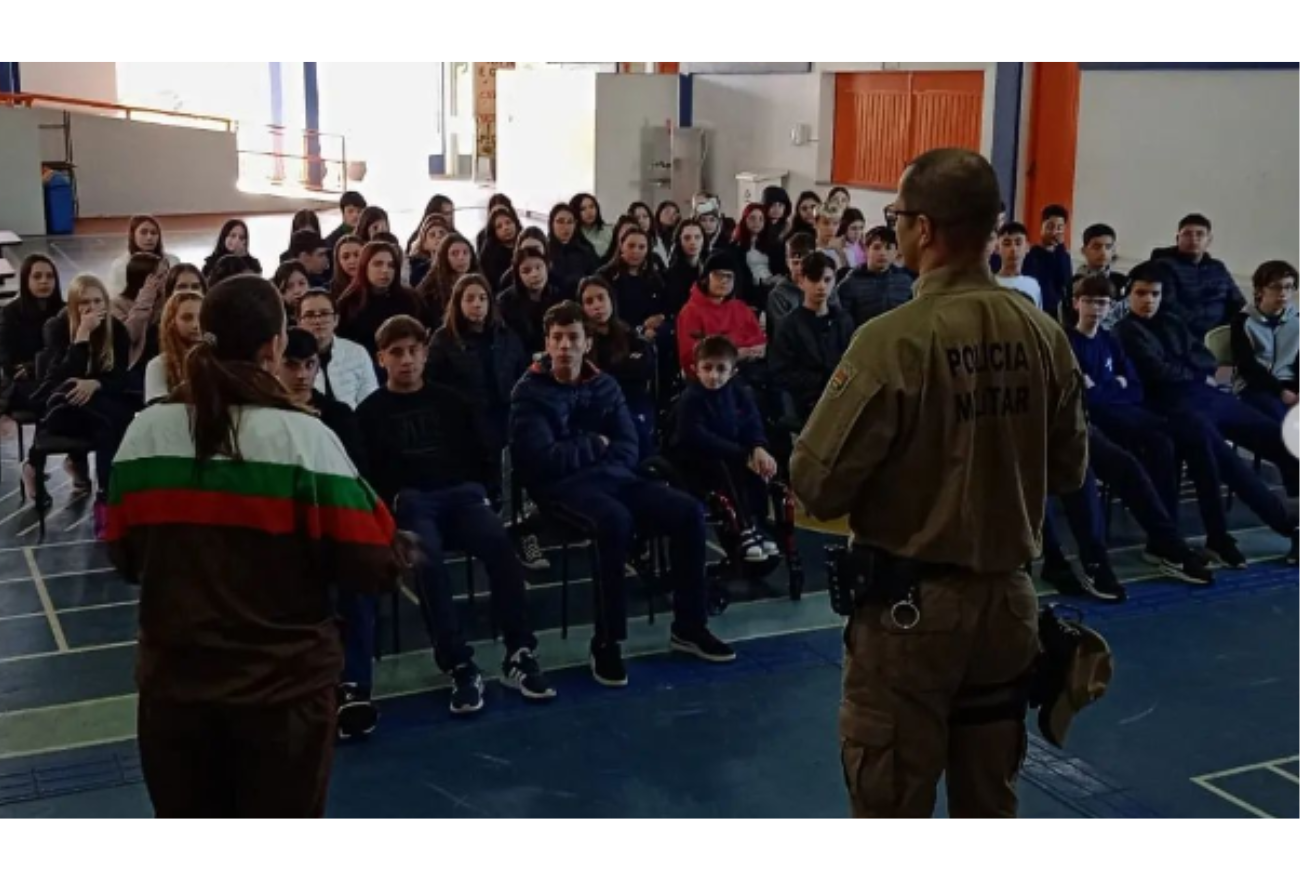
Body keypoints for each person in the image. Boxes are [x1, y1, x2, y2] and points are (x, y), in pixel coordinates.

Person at [792, 148, 1089, 819]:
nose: (894, 229)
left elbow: (816, 481)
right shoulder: (1044, 335)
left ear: (924, 229)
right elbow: (1069, 470)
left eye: (897, 217)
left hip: (911, 615)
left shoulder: (893, 339)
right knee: (989, 803)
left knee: (892, 801)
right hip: (1010, 605)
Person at [106, 274, 399, 818]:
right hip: (282, 702)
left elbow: (123, 554)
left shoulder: (143, 436)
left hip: (176, 697)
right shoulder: (304, 440)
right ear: (274, 346)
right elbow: (373, 561)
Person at [510, 302, 736, 686]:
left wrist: (589, 448)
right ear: (547, 343)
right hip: (563, 489)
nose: (565, 346)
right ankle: (607, 642)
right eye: (557, 338)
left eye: (573, 338)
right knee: (614, 522)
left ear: (586, 342)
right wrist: (595, 443)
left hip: (616, 477)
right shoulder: (529, 392)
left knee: (688, 512)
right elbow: (539, 460)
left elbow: (630, 444)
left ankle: (689, 625)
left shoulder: (605, 384)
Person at [360, 315, 555, 713]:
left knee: (501, 546)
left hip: (462, 496)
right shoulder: (370, 413)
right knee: (427, 561)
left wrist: (481, 491)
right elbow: (369, 474)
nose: (407, 360)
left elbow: (483, 452)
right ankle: (459, 664)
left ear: (426, 353)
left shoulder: (451, 401)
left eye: (414, 350)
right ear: (382, 358)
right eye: (396, 353)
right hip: (413, 503)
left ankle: (519, 652)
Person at [1116, 261, 1299, 563]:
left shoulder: (1172, 320)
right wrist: (1194, 372)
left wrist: (1196, 372)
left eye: (1155, 294)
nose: (1148, 300)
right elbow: (1158, 372)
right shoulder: (1126, 331)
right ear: (1130, 295)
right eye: (1141, 293)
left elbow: (1204, 358)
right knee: (1227, 462)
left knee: (1280, 439)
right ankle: (1285, 526)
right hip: (1175, 405)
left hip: (1209, 395)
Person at [1066, 277, 1216, 586]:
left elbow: (1134, 389)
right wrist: (1112, 386)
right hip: (1093, 421)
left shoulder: (1110, 341)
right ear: (1076, 303)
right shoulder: (1066, 343)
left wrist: (1104, 386)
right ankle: (1155, 544)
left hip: (1125, 412)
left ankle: (1167, 541)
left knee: (1171, 440)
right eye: (1090, 301)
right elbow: (1083, 399)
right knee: (1128, 458)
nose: (1097, 308)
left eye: (1103, 302)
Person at [275, 327, 379, 739]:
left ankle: (354, 687)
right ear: (275, 364)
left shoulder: (339, 416)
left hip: (334, 526)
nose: (301, 375)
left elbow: (359, 478)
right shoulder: (263, 419)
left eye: (309, 365)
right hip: (283, 532)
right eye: (292, 365)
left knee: (359, 576)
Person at [25, 274, 136, 535]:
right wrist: (81, 339)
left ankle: (105, 494)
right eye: (84, 302)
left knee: (110, 424)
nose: (92, 308)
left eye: (98, 301)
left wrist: (95, 383)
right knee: (119, 419)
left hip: (99, 406)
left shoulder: (116, 330)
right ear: (73, 305)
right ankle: (107, 497)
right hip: (62, 407)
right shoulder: (58, 328)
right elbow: (55, 380)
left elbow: (119, 377)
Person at [671, 335, 779, 562]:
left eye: (721, 369)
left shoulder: (740, 393)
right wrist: (741, 454)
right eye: (707, 368)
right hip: (696, 458)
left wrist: (758, 447)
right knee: (727, 467)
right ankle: (743, 527)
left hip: (732, 452)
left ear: (733, 372)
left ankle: (757, 523)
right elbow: (695, 436)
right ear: (695, 369)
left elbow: (752, 423)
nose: (713, 375)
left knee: (757, 466)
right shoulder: (691, 398)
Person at [770, 252, 854, 424]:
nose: (821, 286)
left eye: (827, 280)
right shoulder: (789, 326)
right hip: (806, 402)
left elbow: (854, 361)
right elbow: (781, 372)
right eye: (814, 280)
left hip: (843, 397)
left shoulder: (843, 320)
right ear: (801, 282)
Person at [581, 276, 657, 459]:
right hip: (601, 405)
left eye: (601, 298)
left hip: (634, 399)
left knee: (639, 430)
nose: (597, 306)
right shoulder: (582, 341)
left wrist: (614, 368)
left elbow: (646, 366)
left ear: (611, 300)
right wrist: (625, 364)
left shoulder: (626, 332)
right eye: (589, 302)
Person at [1154, 213, 1246, 341]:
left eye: (1200, 234)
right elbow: (1169, 306)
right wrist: (1206, 329)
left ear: (1209, 240)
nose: (1193, 238)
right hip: (1183, 336)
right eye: (1187, 234)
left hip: (1220, 336)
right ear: (1177, 239)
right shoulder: (1164, 266)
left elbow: (1238, 303)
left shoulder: (1218, 267)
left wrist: (1226, 328)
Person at [676, 252, 767, 377]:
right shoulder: (690, 311)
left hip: (747, 371)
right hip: (710, 379)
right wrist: (735, 353)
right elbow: (689, 358)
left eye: (729, 276)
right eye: (718, 275)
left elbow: (759, 343)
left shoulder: (741, 308)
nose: (724, 280)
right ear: (706, 278)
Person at [1230, 260, 1297, 423]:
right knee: (1280, 422)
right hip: (1256, 385)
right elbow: (1247, 365)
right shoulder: (1243, 321)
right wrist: (1280, 391)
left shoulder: (1297, 319)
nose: (1283, 293)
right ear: (1259, 291)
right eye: (1275, 287)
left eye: (1288, 287)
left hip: (1291, 382)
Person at [336, 241, 423, 361]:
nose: (385, 270)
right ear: (364, 266)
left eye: (391, 265)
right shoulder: (348, 303)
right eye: (378, 264)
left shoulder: (410, 298)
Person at [0, 254, 64, 416]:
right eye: (37, 276)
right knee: (56, 400)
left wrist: (33, 366)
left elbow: (69, 354)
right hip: (23, 384)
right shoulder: (10, 313)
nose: (44, 281)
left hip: (58, 378)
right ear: (25, 280)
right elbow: (8, 361)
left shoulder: (65, 312)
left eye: (50, 276)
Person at [295, 290, 378, 410]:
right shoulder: (290, 358)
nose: (318, 321)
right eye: (310, 315)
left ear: (336, 320)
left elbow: (371, 402)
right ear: (299, 322)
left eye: (324, 314)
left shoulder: (357, 353)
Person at [834, 226, 913, 327]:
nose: (882, 253)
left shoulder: (906, 281)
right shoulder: (850, 284)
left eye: (888, 248)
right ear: (866, 250)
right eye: (877, 247)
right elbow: (842, 324)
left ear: (896, 252)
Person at [598, 227, 668, 341]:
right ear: (621, 246)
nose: (636, 251)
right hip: (615, 338)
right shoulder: (606, 276)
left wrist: (658, 321)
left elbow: (662, 310)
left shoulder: (654, 278)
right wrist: (640, 329)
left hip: (649, 338)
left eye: (641, 247)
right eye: (631, 246)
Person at [498, 247, 566, 356]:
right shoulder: (505, 302)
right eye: (526, 271)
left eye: (539, 267)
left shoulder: (560, 297)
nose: (534, 274)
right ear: (518, 275)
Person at [144, 290, 203, 404]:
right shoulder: (158, 365)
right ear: (171, 322)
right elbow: (158, 409)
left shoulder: (219, 361)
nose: (196, 325)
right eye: (187, 318)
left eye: (201, 317)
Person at [1066, 223, 1128, 329]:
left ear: (1113, 251)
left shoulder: (1121, 281)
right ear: (1084, 251)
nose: (1103, 252)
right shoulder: (1074, 283)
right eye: (1096, 247)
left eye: (1108, 247)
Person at [416, 232, 480, 326]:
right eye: (455, 254)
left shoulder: (479, 283)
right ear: (445, 258)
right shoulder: (430, 290)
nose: (461, 258)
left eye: (465, 253)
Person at [1022, 204, 1073, 320]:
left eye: (1059, 228)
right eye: (1050, 227)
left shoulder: (1064, 256)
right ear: (1042, 227)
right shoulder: (1031, 254)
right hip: (1034, 308)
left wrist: (1060, 249)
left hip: (1056, 313)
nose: (1054, 232)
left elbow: (1065, 282)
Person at [108, 215, 181, 293]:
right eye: (143, 232)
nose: (149, 237)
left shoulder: (172, 262)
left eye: (154, 233)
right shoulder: (120, 265)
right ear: (133, 235)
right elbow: (115, 297)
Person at [547, 203, 599, 299]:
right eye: (560, 222)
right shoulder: (544, 251)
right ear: (551, 224)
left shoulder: (586, 251)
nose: (566, 227)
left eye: (570, 222)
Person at [766, 233, 817, 332]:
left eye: (805, 262)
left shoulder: (824, 286)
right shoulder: (778, 295)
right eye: (795, 262)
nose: (800, 268)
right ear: (787, 262)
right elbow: (785, 332)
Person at [663, 219, 707, 319]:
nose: (693, 242)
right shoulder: (671, 274)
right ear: (679, 241)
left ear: (703, 240)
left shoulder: (709, 268)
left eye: (697, 237)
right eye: (687, 238)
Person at [995, 222, 1044, 309]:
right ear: (997, 249)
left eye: (1018, 243)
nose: (1013, 249)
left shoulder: (1033, 285)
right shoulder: (990, 284)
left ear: (1027, 247)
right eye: (1007, 244)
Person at [479, 205, 521, 295]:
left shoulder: (525, 244)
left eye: (508, 222)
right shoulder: (489, 254)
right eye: (499, 226)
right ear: (494, 231)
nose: (505, 228)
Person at [407, 215, 450, 290]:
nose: (438, 237)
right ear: (425, 244)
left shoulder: (455, 265)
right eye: (432, 235)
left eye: (442, 233)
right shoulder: (419, 271)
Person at [572, 192, 613, 258]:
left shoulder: (608, 230)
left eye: (592, 206)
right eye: (583, 209)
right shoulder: (572, 234)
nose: (589, 211)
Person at [330, 235, 364, 300]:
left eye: (357, 255)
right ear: (338, 261)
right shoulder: (331, 289)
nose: (352, 261)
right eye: (346, 257)